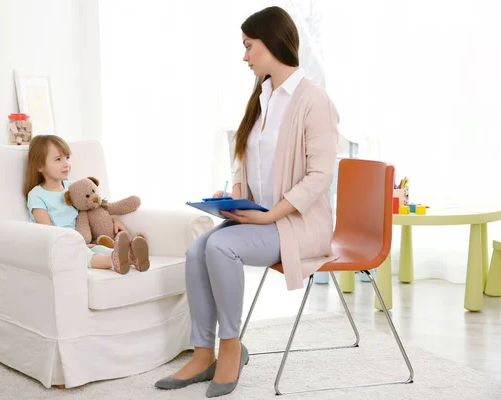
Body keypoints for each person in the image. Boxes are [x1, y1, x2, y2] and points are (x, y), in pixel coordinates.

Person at [155, 5, 339, 398]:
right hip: (262, 218)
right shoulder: (263, 96)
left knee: (220, 247)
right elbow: (247, 162)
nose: (244, 56)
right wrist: (232, 196)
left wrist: (272, 213)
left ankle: (231, 349)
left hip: (296, 225)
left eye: (248, 46)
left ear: (271, 43)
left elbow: (321, 175)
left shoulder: (313, 100)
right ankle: (203, 353)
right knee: (196, 251)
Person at [24, 134, 147, 273]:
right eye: (58, 159)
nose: (66, 164)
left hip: (83, 240)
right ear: (40, 166)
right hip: (60, 245)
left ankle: (132, 257)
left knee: (101, 249)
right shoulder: (36, 195)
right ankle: (112, 261)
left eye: (67, 158)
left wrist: (112, 220)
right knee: (85, 255)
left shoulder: (72, 188)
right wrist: (74, 242)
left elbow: (90, 207)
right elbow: (47, 230)